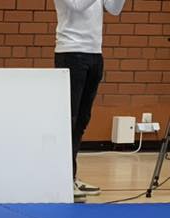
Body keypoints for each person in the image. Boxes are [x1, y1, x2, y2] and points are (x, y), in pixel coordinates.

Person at [53, 0, 126, 200]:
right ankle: (63, 179)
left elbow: (114, 9)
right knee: (70, 119)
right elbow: (77, 5)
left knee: (82, 120)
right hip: (70, 52)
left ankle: (72, 176)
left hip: (95, 53)